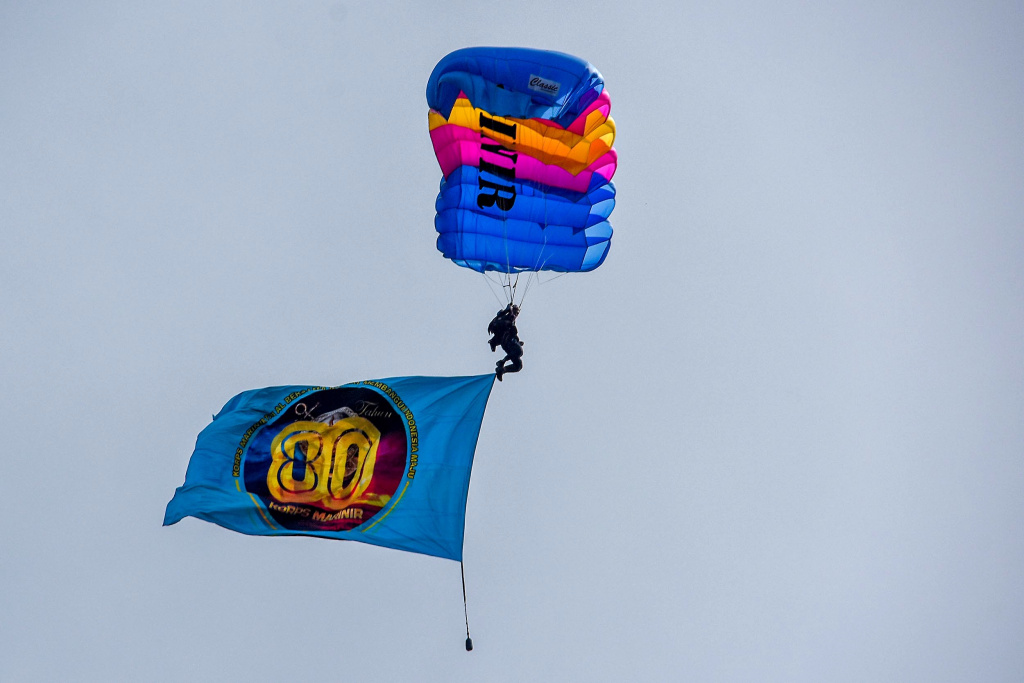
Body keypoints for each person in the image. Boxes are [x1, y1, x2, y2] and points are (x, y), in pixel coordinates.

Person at [487, 304, 524, 380]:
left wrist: (518, 342)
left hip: (507, 344)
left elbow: (514, 332)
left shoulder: (509, 319)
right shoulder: (504, 317)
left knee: (518, 365)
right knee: (519, 351)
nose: (516, 315)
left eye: (517, 313)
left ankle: (502, 370)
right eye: (515, 312)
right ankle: (502, 362)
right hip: (507, 340)